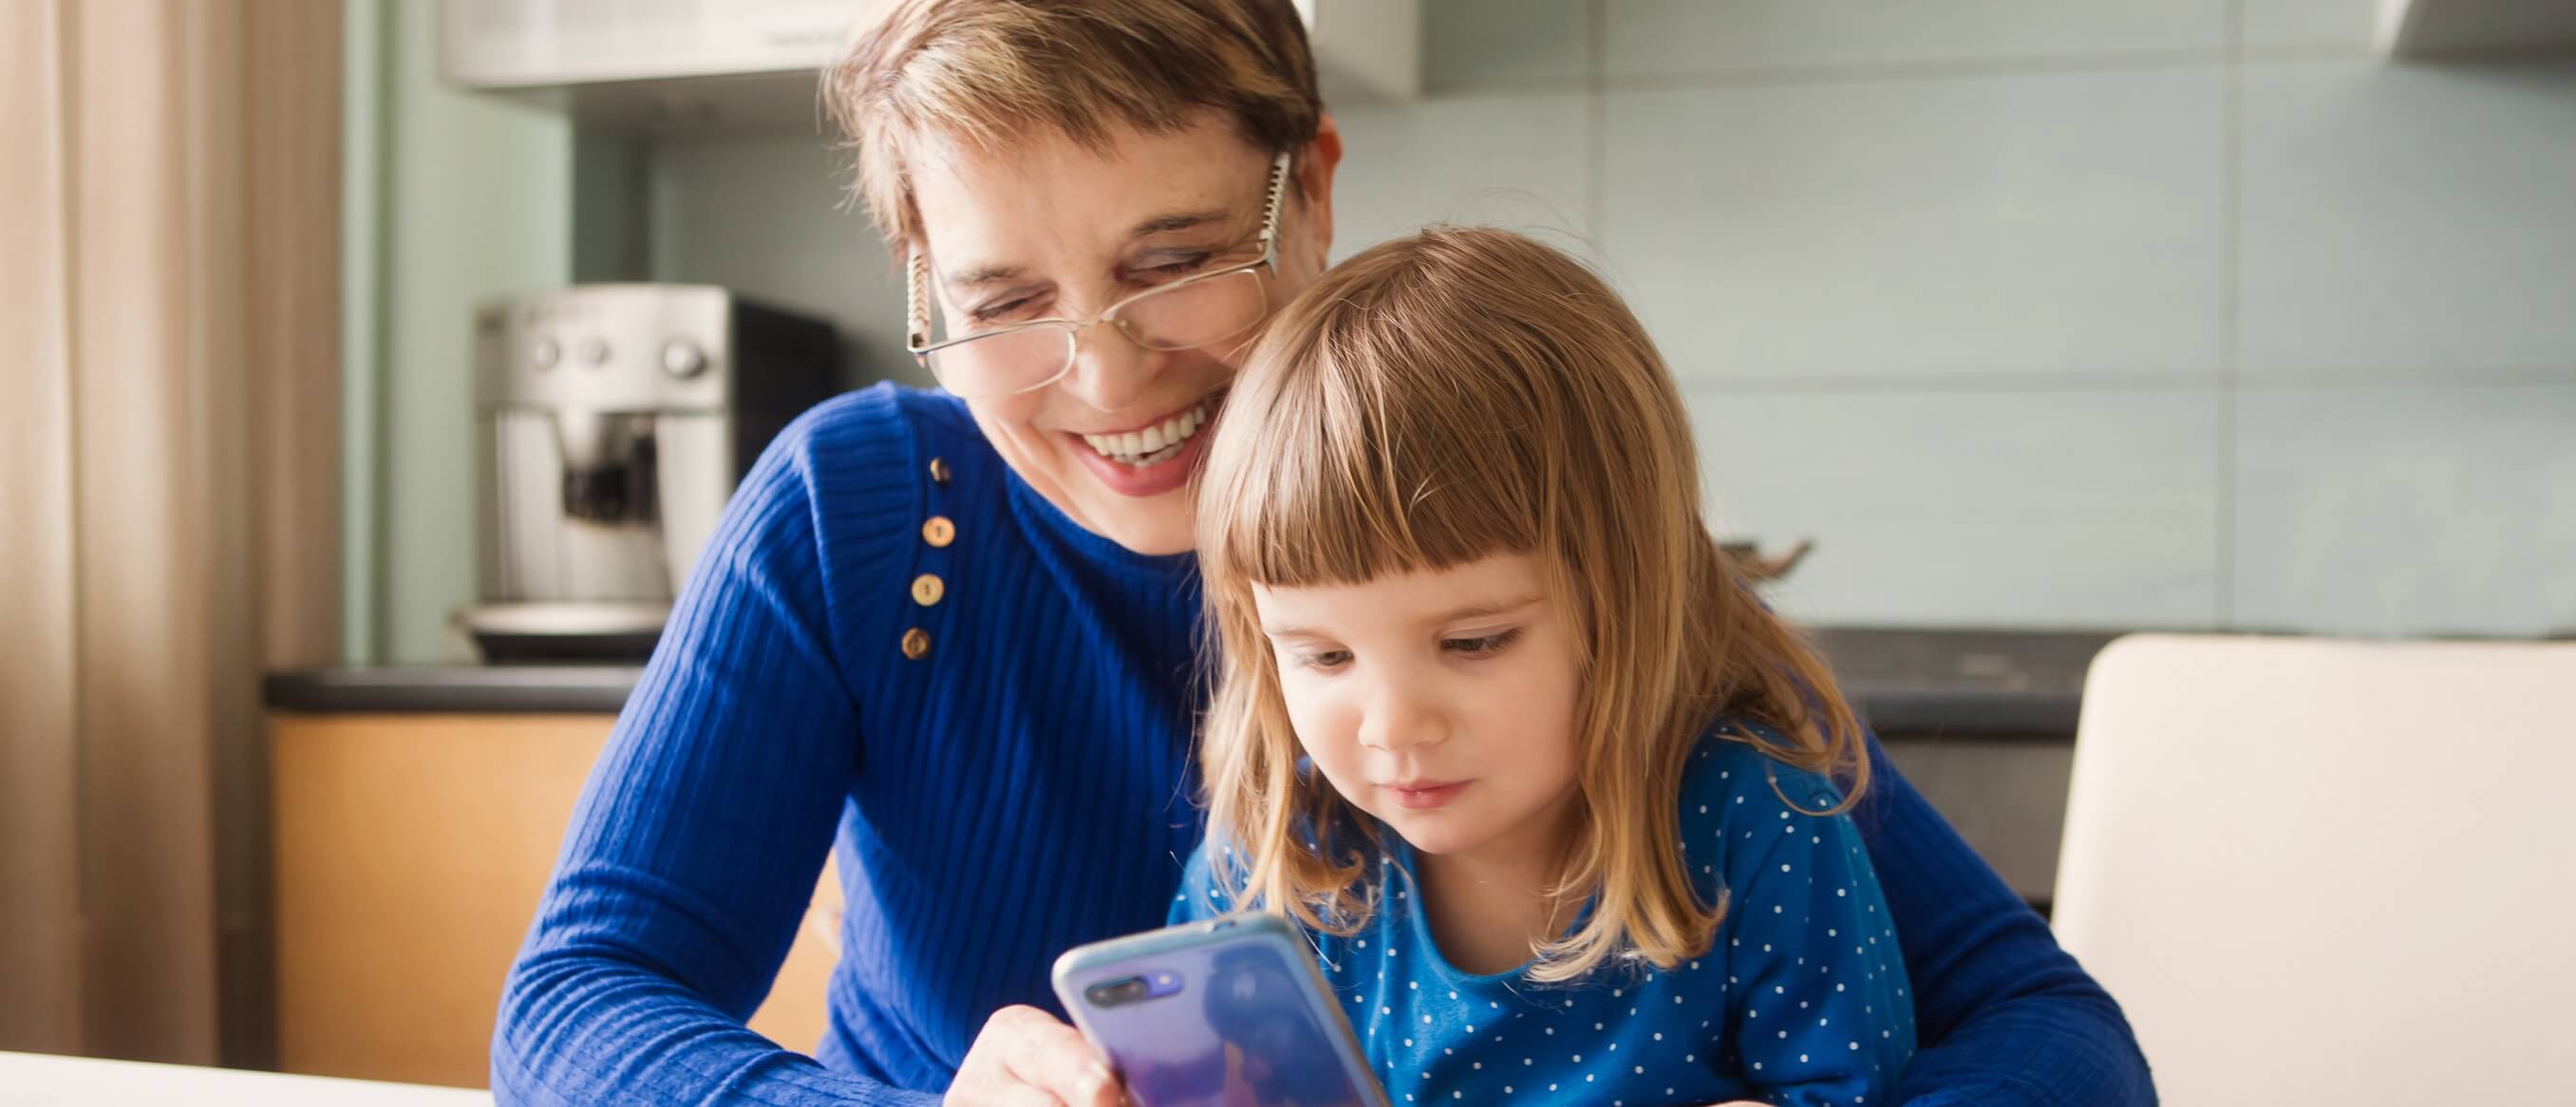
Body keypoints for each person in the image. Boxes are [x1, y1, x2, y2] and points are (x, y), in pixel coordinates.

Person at [489, 2, 2155, 1104]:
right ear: (927, 292)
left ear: (1314, 191)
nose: (1107, 373)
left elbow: (2055, 1036)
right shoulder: (861, 517)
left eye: (1178, 258)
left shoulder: (1526, 522)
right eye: (1002, 303)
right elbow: (574, 1006)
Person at [1173, 226, 1912, 1105]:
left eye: (1474, 642)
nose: (1393, 725)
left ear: (1629, 600)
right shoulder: (1275, 851)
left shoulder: (1752, 821)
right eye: (1324, 655)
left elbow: (1851, 1090)